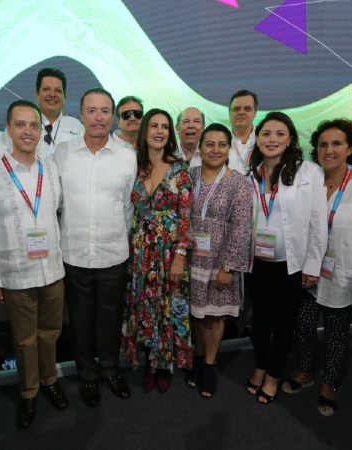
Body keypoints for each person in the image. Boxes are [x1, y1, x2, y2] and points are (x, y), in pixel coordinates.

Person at [0, 100, 67, 429]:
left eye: (33, 125)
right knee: (25, 339)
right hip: (16, 274)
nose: (28, 131)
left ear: (40, 131)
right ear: (9, 130)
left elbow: (56, 213)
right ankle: (28, 392)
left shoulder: (50, 169)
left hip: (52, 270)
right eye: (20, 124)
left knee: (51, 333)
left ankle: (50, 380)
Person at [54, 87, 137, 408]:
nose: (98, 117)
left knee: (110, 320)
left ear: (112, 116)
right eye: (92, 111)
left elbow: (127, 205)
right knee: (80, 321)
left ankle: (110, 370)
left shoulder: (126, 155)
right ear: (81, 114)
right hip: (74, 254)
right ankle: (88, 375)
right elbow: (57, 203)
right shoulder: (63, 153)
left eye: (104, 111)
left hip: (112, 254)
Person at [246, 111, 328, 404]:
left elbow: (318, 222)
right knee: (259, 320)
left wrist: (313, 265)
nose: (272, 139)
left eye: (280, 134)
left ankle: (273, 375)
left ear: (290, 138)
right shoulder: (251, 174)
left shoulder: (308, 172)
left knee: (284, 323)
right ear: (258, 138)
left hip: (290, 266)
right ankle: (260, 365)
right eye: (266, 133)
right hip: (256, 264)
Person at [282, 119, 352, 417]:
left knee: (337, 331)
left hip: (343, 272)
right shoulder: (309, 180)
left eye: (337, 144)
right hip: (309, 269)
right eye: (323, 144)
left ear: (349, 148)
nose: (329, 150)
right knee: (304, 325)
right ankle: (305, 370)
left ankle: (330, 382)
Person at [121, 108, 194, 393]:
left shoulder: (179, 169)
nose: (159, 131)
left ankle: (163, 364)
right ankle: (148, 361)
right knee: (144, 307)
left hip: (168, 253)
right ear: (145, 131)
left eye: (165, 126)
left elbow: (186, 218)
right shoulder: (133, 166)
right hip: (139, 252)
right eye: (154, 126)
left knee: (167, 307)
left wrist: (180, 256)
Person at [186, 124, 253, 398]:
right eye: (209, 144)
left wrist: (228, 267)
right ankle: (198, 358)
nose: (215, 150)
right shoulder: (189, 176)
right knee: (196, 314)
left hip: (220, 260)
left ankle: (210, 365)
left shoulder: (238, 182)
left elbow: (242, 228)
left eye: (222, 144)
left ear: (228, 149)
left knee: (214, 315)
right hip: (191, 256)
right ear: (200, 148)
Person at [35, 67, 84, 158]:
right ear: (37, 93)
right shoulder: (24, 124)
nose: (52, 94)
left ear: (65, 96)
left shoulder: (76, 126)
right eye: (46, 89)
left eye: (58, 90)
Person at [228, 90, 258, 175]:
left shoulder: (265, 141)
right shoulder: (219, 142)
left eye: (247, 109)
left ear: (255, 113)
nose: (241, 112)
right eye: (236, 109)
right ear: (229, 113)